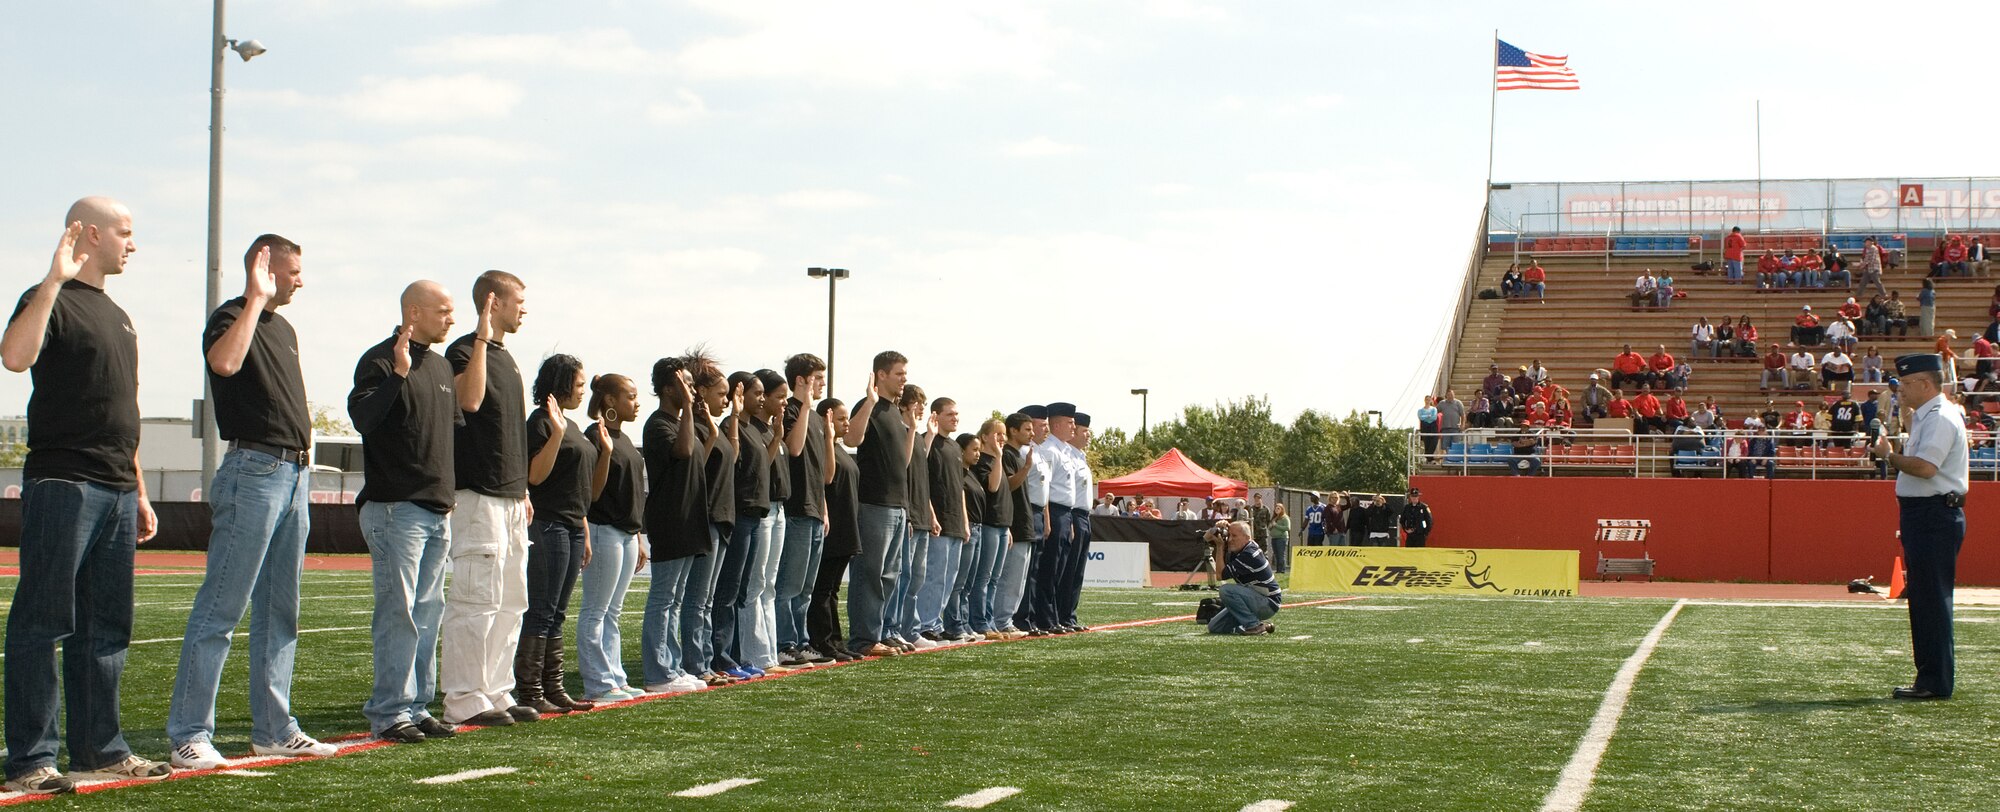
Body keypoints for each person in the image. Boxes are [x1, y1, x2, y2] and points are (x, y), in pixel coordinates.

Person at [1, 202, 171, 792]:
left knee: (106, 630)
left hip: (119, 491)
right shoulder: (49, 296)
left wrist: (141, 491)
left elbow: (123, 411)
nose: (133, 243)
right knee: (42, 623)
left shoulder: (121, 316)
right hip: (64, 483)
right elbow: (15, 357)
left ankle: (99, 750)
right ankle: (29, 760)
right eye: (126, 232)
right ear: (92, 234)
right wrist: (53, 279)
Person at [168, 234, 335, 771]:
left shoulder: (284, 329)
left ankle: (274, 729)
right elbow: (224, 364)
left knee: (280, 612)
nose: (300, 281)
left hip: (295, 473)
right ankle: (189, 734)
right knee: (222, 607)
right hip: (253, 472)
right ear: (264, 267)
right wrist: (256, 298)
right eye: (292, 271)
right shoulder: (231, 316)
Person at [348, 281, 460, 745]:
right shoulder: (378, 360)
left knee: (428, 612)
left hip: (436, 510)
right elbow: (363, 420)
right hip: (397, 509)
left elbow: (448, 437)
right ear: (414, 312)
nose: (451, 320)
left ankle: (416, 705)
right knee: (400, 614)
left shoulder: (441, 366)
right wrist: (396, 376)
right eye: (443, 311)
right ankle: (390, 712)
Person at [438, 270, 535, 729]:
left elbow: (511, 431)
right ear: (495, 302)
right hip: (478, 496)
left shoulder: (509, 359)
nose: (525, 309)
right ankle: (463, 697)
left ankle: (495, 691)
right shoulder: (463, 350)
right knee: (476, 600)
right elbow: (469, 401)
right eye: (519, 300)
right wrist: (478, 336)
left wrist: (524, 490)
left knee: (512, 601)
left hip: (512, 499)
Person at [1870, 354, 1969, 700]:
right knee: (1925, 598)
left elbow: (1927, 468)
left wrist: (1888, 455)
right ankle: (1929, 677)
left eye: (1905, 385)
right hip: (1926, 514)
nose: (1899, 392)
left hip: (1933, 515)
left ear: (1925, 384)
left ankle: (1934, 681)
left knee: (1930, 599)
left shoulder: (1941, 418)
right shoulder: (1931, 416)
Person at [518, 354, 599, 713]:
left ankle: (554, 688)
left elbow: (576, 484)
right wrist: (555, 433)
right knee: (542, 609)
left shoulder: (571, 423)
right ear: (562, 384)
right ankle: (532, 692)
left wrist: (584, 527)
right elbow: (535, 475)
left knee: (558, 611)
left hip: (571, 524)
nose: (583, 391)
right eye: (579, 384)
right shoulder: (541, 422)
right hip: (548, 523)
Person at [636, 357, 715, 693]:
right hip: (669, 521)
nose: (690, 389)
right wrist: (686, 408)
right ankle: (658, 673)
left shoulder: (681, 422)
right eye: (683, 382)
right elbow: (683, 451)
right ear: (667, 388)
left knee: (677, 599)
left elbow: (700, 454)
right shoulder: (658, 425)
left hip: (690, 520)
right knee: (663, 598)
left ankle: (673, 666)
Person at [575, 374, 647, 703]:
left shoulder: (624, 438)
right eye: (630, 397)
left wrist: (640, 538)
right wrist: (604, 452)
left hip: (627, 534)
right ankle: (599, 683)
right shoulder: (596, 436)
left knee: (612, 613)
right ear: (610, 401)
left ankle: (615, 677)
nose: (636, 403)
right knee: (595, 612)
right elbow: (593, 492)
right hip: (604, 531)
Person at [843, 352, 916, 657]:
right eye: (899, 373)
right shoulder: (869, 407)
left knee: (889, 576)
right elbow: (851, 439)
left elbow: (904, 461)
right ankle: (864, 639)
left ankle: (883, 632)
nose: (904, 379)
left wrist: (911, 428)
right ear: (881, 375)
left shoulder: (897, 414)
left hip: (897, 506)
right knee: (870, 574)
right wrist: (869, 401)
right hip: (874, 504)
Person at [680, 353, 739, 685]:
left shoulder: (713, 425)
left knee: (707, 599)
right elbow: (694, 470)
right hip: (706, 519)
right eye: (720, 394)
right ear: (700, 392)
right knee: (697, 599)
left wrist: (726, 425)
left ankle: (703, 662)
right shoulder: (696, 427)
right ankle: (695, 664)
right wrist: (713, 433)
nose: (726, 400)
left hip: (722, 518)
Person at [774, 354, 831, 667]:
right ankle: (784, 643)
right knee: (790, 585)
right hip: (795, 509)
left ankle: (800, 641)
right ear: (801, 380)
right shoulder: (791, 410)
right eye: (818, 378)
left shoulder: (818, 421)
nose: (823, 384)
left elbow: (821, 471)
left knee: (806, 588)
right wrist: (807, 407)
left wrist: (823, 509)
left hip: (813, 509)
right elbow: (793, 449)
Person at [809, 398, 865, 659]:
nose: (847, 423)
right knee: (822, 588)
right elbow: (826, 478)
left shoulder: (841, 448)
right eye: (841, 418)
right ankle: (822, 641)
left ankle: (835, 640)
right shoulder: (822, 448)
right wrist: (828, 437)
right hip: (831, 528)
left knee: (832, 588)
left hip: (846, 526)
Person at [919, 397, 970, 643]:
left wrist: (965, 521)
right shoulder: (926, 442)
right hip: (937, 521)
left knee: (949, 578)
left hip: (956, 523)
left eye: (956, 414)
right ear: (935, 415)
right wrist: (931, 513)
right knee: (934, 576)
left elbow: (959, 488)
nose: (955, 418)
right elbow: (921, 481)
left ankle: (936, 624)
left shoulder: (954, 448)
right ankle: (925, 625)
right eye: (950, 414)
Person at [1204, 522, 1281, 635]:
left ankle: (1254, 625)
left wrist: (1220, 547)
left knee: (1226, 590)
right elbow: (1205, 538)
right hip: (1255, 597)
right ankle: (1260, 625)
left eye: (1234, 536)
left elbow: (1220, 576)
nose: (1230, 540)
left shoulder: (1249, 554)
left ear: (1247, 538)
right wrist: (1216, 528)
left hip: (1268, 602)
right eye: (1229, 535)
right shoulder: (1240, 548)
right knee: (1215, 627)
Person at [1266, 503, 1292, 572]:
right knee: (1276, 554)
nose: (1276, 510)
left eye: (1278, 508)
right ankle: (1278, 570)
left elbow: (1287, 528)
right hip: (1274, 538)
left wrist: (1276, 525)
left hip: (1281, 538)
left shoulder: (1285, 517)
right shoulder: (1274, 518)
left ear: (1282, 509)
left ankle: (1282, 570)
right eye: (1276, 508)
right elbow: (1270, 527)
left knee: (1281, 554)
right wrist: (1271, 526)